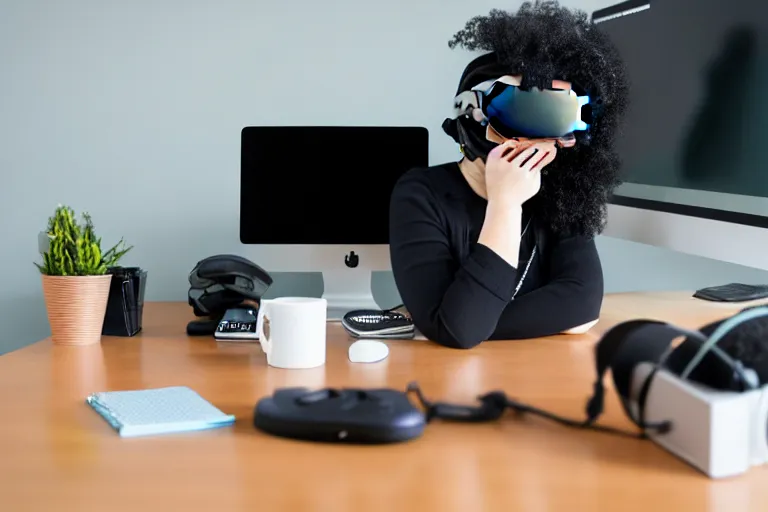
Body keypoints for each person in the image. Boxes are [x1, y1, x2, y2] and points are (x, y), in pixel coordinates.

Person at [388, 1, 629, 349]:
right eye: (521, 110)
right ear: (471, 113)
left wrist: (464, 318)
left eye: (557, 116)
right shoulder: (420, 194)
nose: (534, 140)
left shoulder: (562, 195)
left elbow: (582, 304)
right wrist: (505, 203)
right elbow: (461, 330)